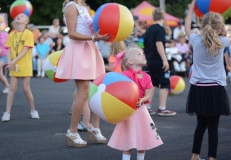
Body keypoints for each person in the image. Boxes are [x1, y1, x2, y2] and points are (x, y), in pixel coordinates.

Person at [55, 0, 110, 147]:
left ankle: (94, 127)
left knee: (97, 88)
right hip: (80, 50)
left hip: (90, 48)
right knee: (83, 91)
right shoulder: (71, 7)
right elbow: (72, 34)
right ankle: (72, 132)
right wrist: (94, 38)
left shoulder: (84, 7)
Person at [185, 1, 231, 160]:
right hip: (216, 89)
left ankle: (194, 156)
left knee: (200, 125)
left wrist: (191, 9)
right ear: (219, 27)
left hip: (198, 88)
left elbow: (187, 28)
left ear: (203, 25)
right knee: (213, 128)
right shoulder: (223, 42)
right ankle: (212, 157)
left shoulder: (195, 40)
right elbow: (224, 35)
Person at [108, 47, 163, 160]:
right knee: (127, 142)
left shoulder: (147, 77)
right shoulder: (124, 75)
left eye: (142, 53)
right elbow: (118, 91)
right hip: (127, 112)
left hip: (141, 112)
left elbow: (148, 94)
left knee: (141, 143)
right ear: (131, 61)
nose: (143, 55)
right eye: (139, 54)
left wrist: (142, 100)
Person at [1, 13, 40, 122]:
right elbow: (8, 50)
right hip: (14, 64)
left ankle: (33, 110)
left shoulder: (28, 33)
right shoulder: (11, 34)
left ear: (26, 22)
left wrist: (13, 61)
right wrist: (9, 62)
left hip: (25, 64)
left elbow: (25, 50)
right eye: (18, 16)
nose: (19, 16)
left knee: (26, 89)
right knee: (12, 88)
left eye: (22, 16)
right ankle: (7, 112)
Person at [143, 8, 176, 116]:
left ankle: (147, 107)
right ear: (163, 17)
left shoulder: (149, 29)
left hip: (149, 60)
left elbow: (147, 45)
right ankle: (162, 108)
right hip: (158, 60)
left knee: (152, 83)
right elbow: (159, 44)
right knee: (165, 83)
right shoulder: (160, 29)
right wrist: (165, 60)